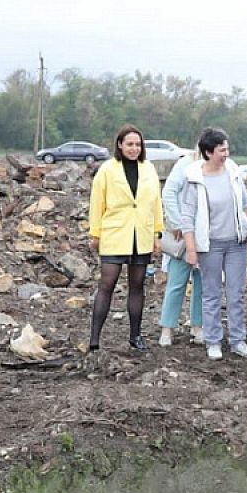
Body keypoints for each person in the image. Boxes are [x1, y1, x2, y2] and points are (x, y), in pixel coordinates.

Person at [178, 128, 247, 361]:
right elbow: (187, 216)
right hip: (210, 245)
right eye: (221, 150)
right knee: (211, 294)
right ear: (208, 152)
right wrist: (191, 249)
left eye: (227, 149)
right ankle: (213, 341)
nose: (226, 154)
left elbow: (245, 201)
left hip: (235, 244)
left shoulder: (232, 172)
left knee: (236, 293)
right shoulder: (195, 179)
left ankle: (238, 340)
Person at [88, 124, 164, 351]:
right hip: (115, 232)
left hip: (141, 234)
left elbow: (156, 202)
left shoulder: (148, 169)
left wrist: (156, 233)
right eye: (129, 144)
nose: (134, 148)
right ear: (120, 145)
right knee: (107, 283)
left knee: (137, 285)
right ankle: (94, 339)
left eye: (138, 144)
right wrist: (95, 232)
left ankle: (135, 336)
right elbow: (97, 202)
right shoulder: (108, 170)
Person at [158, 153, 204, 348]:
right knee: (177, 281)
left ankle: (198, 325)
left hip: (205, 232)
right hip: (183, 232)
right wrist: (177, 223)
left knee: (202, 283)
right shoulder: (185, 164)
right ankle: (167, 328)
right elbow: (169, 192)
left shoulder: (220, 166)